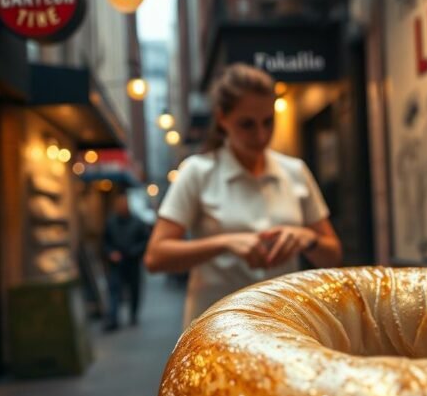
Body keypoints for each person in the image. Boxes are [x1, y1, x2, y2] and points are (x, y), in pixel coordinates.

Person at [144, 63, 343, 327]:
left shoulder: (294, 171)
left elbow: (333, 255)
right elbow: (156, 257)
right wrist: (225, 243)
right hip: (218, 327)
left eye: (268, 122)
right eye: (247, 125)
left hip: (283, 324)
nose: (261, 135)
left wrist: (307, 239)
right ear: (222, 118)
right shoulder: (197, 172)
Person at [103, 193, 149, 331]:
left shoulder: (138, 222)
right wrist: (111, 253)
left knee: (134, 290)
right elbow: (106, 242)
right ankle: (113, 318)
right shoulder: (111, 222)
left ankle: (133, 315)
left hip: (132, 262)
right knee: (114, 290)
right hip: (116, 264)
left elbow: (145, 241)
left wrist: (133, 252)